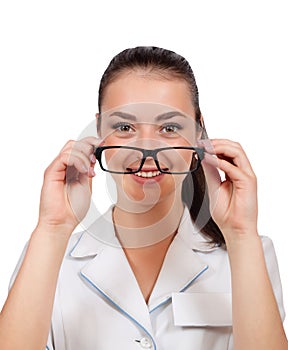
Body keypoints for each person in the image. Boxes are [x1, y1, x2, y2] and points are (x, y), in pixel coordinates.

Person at [0, 46, 287, 350]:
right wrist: (53, 227)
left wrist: (241, 234)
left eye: (169, 127)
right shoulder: (49, 253)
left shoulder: (249, 250)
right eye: (124, 127)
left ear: (198, 131)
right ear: (99, 131)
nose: (146, 149)